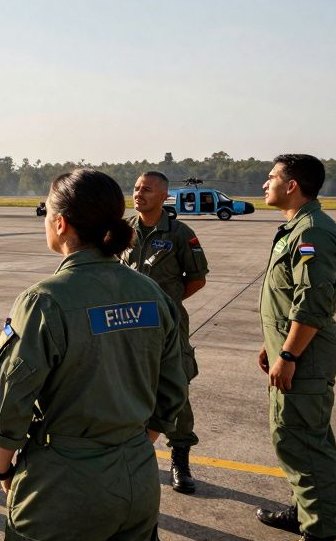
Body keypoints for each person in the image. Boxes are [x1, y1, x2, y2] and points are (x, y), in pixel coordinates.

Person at [0, 169, 186, 541]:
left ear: (60, 223)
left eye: (47, 213)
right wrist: (133, 445)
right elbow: (174, 387)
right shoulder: (151, 293)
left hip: (63, 488)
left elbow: (10, 397)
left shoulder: (44, 301)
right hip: (137, 479)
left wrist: (2, 471)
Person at [255, 154, 336, 541]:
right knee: (295, 437)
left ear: (292, 185)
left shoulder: (312, 233)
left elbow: (312, 302)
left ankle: (319, 530)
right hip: (293, 350)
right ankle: (303, 511)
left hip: (304, 357)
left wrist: (289, 354)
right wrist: (271, 345)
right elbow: (288, 298)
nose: (265, 184)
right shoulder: (297, 228)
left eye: (272, 177)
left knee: (305, 442)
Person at [122, 171, 208, 494]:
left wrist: (166, 303)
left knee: (177, 387)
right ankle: (132, 453)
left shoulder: (179, 234)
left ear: (164, 197)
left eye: (147, 189)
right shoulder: (122, 232)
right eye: (136, 187)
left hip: (168, 326)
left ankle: (180, 459)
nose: (138, 193)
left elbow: (197, 278)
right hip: (128, 326)